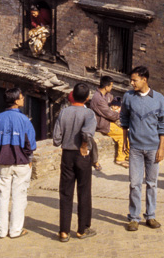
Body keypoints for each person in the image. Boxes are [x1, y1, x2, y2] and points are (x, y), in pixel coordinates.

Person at [120, 66, 164, 231]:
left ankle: (151, 216)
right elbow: (124, 118)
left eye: (134, 80)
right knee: (134, 184)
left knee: (152, 183)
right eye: (131, 80)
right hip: (135, 149)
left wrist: (161, 148)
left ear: (144, 80)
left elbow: (163, 125)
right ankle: (134, 217)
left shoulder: (159, 99)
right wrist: (125, 139)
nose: (132, 83)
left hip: (153, 149)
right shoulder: (128, 97)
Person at [53, 82, 97, 242]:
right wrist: (84, 146)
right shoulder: (89, 114)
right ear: (86, 98)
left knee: (65, 192)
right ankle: (82, 229)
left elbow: (56, 139)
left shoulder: (64, 112)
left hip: (67, 155)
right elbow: (87, 133)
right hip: (81, 155)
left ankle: (64, 231)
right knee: (84, 191)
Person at [0, 87, 36, 239]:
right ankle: (15, 230)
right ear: (16, 101)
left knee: (3, 197)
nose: (23, 99)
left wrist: (1, 155)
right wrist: (29, 160)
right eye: (22, 97)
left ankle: (1, 231)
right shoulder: (24, 120)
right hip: (21, 163)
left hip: (4, 163)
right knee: (19, 196)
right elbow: (31, 145)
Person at [90, 75, 129, 167]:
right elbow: (109, 114)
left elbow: (114, 104)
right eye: (111, 86)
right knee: (122, 135)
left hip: (110, 120)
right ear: (106, 87)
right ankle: (120, 159)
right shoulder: (98, 99)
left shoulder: (107, 95)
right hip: (103, 123)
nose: (112, 88)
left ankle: (127, 154)